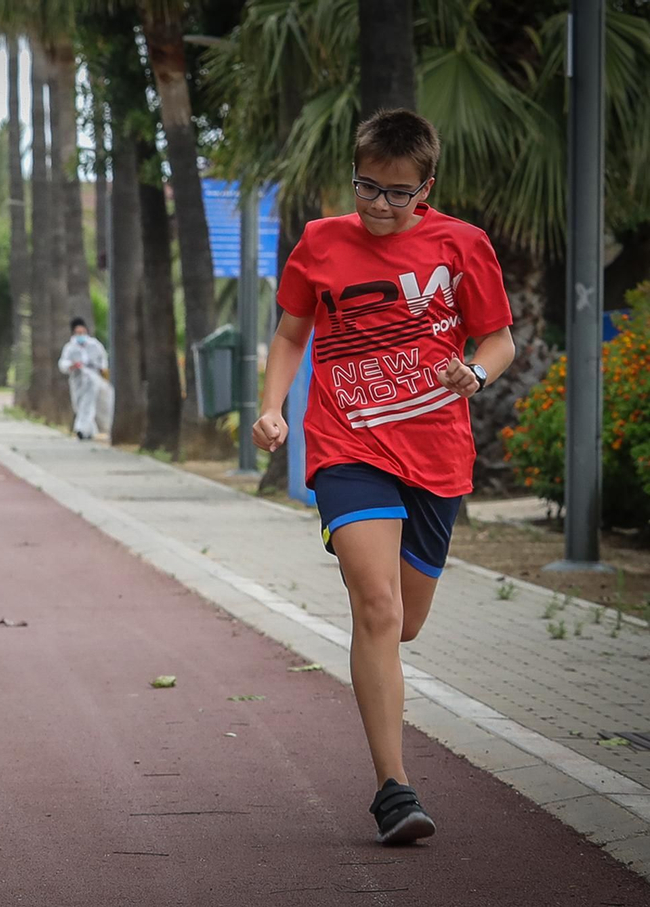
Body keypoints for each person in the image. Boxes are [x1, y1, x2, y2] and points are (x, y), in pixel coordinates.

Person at [253, 110, 515, 845]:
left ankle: (391, 755)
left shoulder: (462, 245)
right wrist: (271, 406)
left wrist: (477, 372)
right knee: (375, 606)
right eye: (367, 186)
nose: (377, 205)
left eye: (397, 193)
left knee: (405, 621)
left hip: (437, 453)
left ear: (425, 187)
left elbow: (498, 337)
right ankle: (394, 789)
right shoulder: (321, 242)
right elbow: (290, 332)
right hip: (347, 444)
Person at [58, 317, 109, 441]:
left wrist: (102, 369)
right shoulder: (70, 347)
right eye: (78, 333)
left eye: (83, 332)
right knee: (79, 405)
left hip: (92, 378)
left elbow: (103, 360)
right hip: (77, 379)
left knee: (88, 404)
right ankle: (90, 431)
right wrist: (72, 365)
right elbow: (63, 363)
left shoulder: (95, 345)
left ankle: (80, 429)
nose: (81, 335)